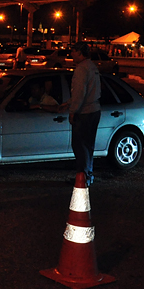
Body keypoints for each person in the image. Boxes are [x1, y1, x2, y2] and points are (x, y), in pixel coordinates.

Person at [60, 42, 101, 185]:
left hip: (84, 112)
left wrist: (72, 111)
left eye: (73, 51)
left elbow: (80, 93)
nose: (71, 54)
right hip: (95, 110)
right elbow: (90, 91)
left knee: (79, 146)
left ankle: (82, 178)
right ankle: (88, 176)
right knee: (88, 146)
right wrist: (69, 102)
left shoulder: (81, 69)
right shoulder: (92, 67)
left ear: (79, 52)